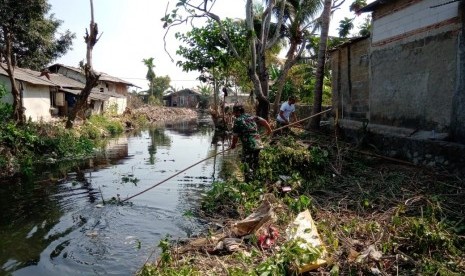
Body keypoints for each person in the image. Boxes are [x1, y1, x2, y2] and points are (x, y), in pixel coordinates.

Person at [230, 104, 272, 181]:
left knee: (246, 163)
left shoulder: (237, 121)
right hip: (258, 144)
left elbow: (235, 137)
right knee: (255, 162)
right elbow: (264, 121)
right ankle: (256, 179)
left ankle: (248, 182)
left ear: (238, 112)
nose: (234, 114)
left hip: (249, 145)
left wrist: (233, 145)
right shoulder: (251, 116)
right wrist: (269, 130)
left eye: (234, 112)